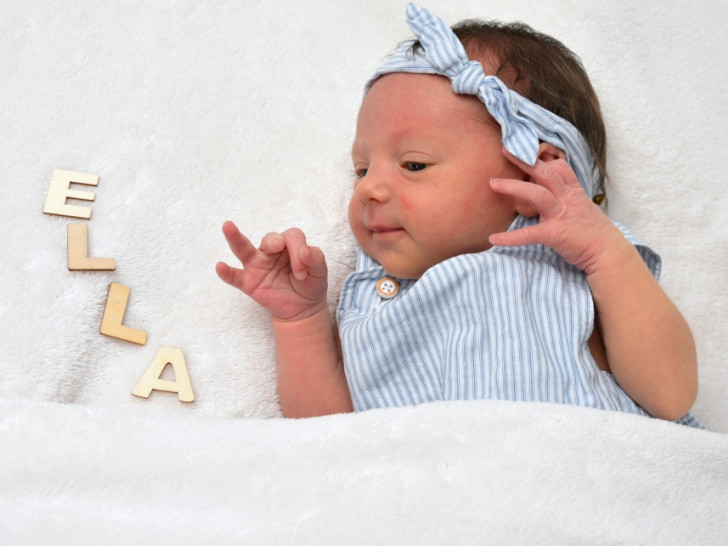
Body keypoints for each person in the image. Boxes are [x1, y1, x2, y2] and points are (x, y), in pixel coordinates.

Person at [216, 3, 700, 426]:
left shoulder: (578, 263)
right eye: (360, 168)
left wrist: (603, 253)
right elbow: (331, 440)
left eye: (414, 164)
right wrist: (300, 322)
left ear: (533, 177)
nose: (367, 186)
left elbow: (670, 396)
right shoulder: (373, 300)